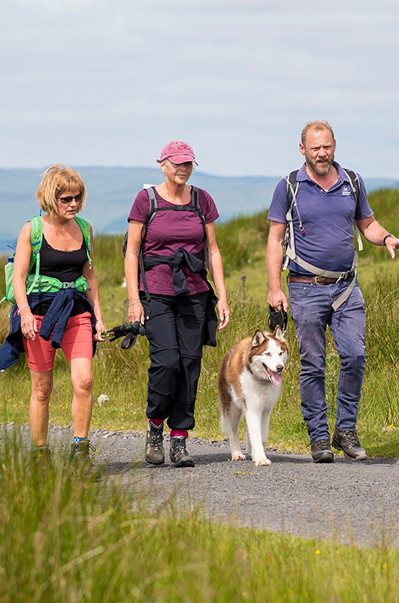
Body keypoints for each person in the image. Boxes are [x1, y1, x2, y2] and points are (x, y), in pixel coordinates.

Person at [266, 121, 399, 463]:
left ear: (335, 146)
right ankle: (318, 438)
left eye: (328, 147)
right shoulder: (288, 186)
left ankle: (345, 430)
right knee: (313, 364)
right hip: (305, 288)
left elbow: (368, 224)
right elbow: (275, 239)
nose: (322, 153)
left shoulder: (353, 181)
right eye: (315, 148)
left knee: (355, 356)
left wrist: (389, 238)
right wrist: (275, 288)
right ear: (302, 149)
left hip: (347, 287)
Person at [125, 140, 230, 468]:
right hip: (155, 293)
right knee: (167, 362)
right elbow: (131, 251)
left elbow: (212, 250)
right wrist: (133, 300)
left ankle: (180, 438)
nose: (183, 169)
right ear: (163, 164)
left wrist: (222, 295)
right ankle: (155, 427)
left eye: (188, 164)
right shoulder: (147, 200)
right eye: (177, 164)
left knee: (189, 365)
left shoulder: (202, 200)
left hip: (195, 293)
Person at [0, 165, 106, 470]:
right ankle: (40, 455)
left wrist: (98, 317)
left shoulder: (85, 229)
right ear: (50, 198)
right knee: (42, 388)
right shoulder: (31, 230)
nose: (73, 204)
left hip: (76, 312)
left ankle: (80, 454)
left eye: (77, 198)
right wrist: (26, 314)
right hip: (39, 315)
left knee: (84, 380)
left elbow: (90, 276)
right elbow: (18, 278)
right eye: (66, 199)